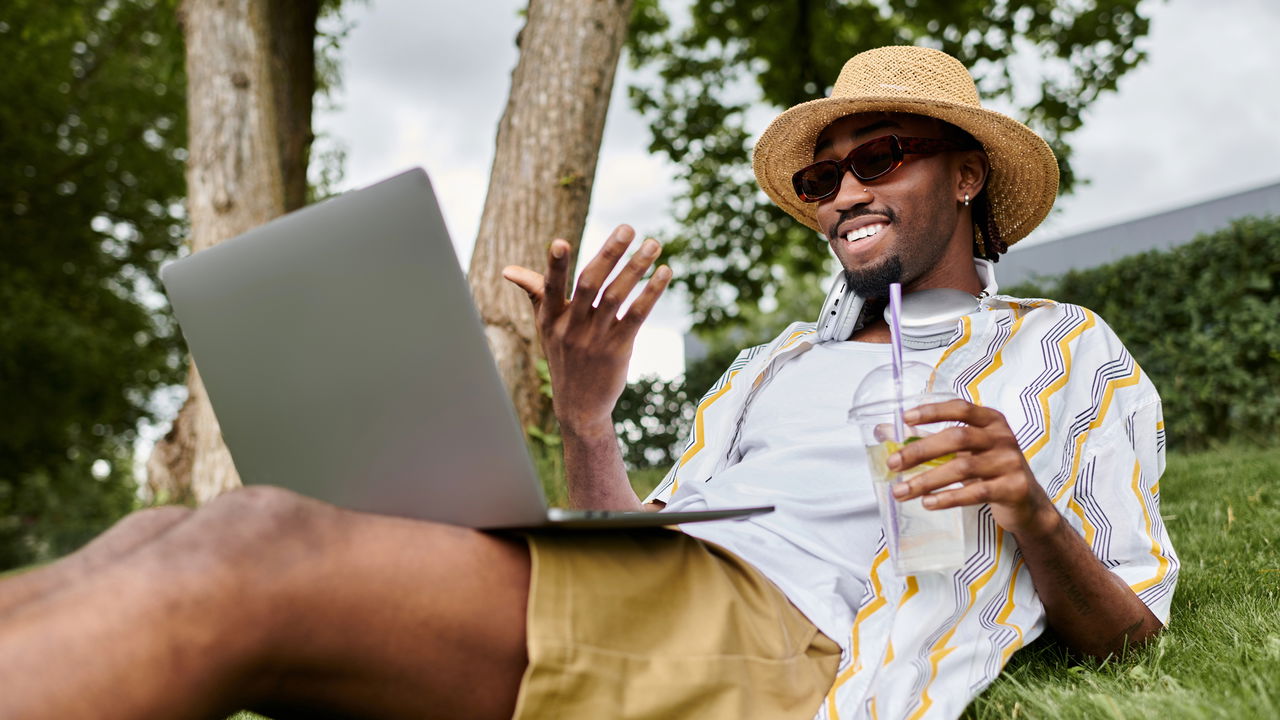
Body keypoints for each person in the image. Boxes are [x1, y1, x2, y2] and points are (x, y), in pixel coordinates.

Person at [0, 46, 1177, 720]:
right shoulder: (774, 366)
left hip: (798, 636)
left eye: (879, 159)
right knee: (179, 526)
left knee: (243, 561)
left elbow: (1128, 632)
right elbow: (636, 535)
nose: (842, 195)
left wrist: (1025, 505)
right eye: (822, 179)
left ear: (966, 175)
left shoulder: (1060, 351)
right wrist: (584, 417)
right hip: (666, 587)